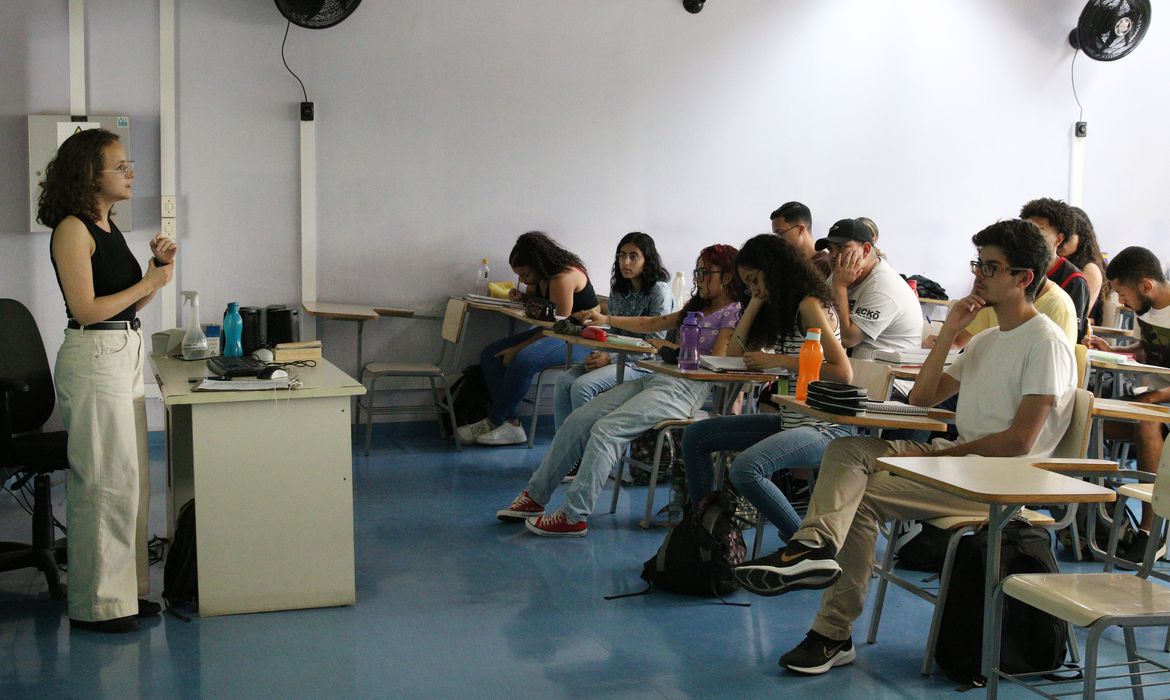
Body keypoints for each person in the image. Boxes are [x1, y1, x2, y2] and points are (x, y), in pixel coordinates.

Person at [734, 220, 1076, 676]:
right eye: (978, 264)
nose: (978, 275)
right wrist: (950, 329)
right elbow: (920, 398)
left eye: (991, 267)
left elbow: (1019, 442)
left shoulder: (1046, 342)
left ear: (1023, 278)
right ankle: (813, 547)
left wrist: (946, 457)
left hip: (1000, 480)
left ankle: (831, 633)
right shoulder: (987, 340)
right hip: (960, 461)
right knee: (847, 450)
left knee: (860, 500)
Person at [495, 244, 744, 536]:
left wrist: (671, 349)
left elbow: (716, 362)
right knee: (579, 419)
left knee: (607, 430)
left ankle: (574, 515)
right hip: (659, 376)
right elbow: (652, 323)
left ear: (727, 276)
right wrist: (607, 319)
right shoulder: (697, 307)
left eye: (705, 272)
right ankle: (535, 496)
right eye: (697, 271)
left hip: (686, 390)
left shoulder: (732, 313)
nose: (698, 278)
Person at [38, 128, 176, 633]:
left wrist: (157, 269)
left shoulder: (108, 225)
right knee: (103, 484)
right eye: (120, 166)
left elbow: (129, 302)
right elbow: (87, 309)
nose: (130, 173)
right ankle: (96, 606)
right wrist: (149, 281)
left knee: (129, 480)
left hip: (121, 351)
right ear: (89, 175)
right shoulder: (72, 230)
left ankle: (125, 594)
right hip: (95, 357)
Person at [681, 235, 852, 540]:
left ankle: (804, 545)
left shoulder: (809, 305)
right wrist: (756, 303)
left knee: (745, 469)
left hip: (825, 426)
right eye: (747, 283)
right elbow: (734, 355)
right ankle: (707, 531)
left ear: (774, 271)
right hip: (792, 420)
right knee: (696, 435)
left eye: (755, 280)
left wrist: (781, 362)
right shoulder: (781, 307)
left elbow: (843, 372)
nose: (753, 288)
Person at [456, 231, 600, 446]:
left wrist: (517, 349)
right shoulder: (542, 277)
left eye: (525, 275)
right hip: (554, 332)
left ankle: (494, 420)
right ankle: (510, 422)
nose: (522, 280)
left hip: (580, 339)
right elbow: (543, 310)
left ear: (540, 265)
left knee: (523, 358)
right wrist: (524, 297)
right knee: (490, 354)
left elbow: (557, 326)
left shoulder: (563, 277)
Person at [1084, 246, 1170, 557]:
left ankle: (1150, 531)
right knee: (1087, 419)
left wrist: (1154, 397)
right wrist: (1115, 351)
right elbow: (1145, 349)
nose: (1121, 301)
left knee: (1147, 423)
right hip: (1152, 400)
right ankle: (1102, 512)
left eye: (1122, 293)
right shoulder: (1146, 310)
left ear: (1146, 285)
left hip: (1158, 403)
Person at [553, 232, 672, 431]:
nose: (625, 262)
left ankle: (585, 446)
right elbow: (613, 334)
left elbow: (653, 346)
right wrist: (601, 353)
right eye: (621, 255)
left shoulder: (659, 290)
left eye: (633, 256)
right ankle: (563, 446)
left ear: (648, 259)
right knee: (563, 382)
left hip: (645, 365)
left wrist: (610, 358)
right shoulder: (619, 289)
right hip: (617, 359)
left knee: (582, 387)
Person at [817, 218, 922, 358]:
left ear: (866, 250)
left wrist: (840, 287)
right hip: (857, 366)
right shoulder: (841, 274)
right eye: (830, 249)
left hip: (886, 369)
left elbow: (847, 339)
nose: (833, 255)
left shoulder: (882, 287)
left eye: (841, 247)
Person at [1020, 197, 1091, 340]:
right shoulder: (1017, 269)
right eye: (1025, 229)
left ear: (1059, 239)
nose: (1029, 236)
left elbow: (1069, 334)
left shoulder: (1074, 281)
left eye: (1039, 231)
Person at [1063, 206, 1107, 318]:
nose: (1062, 241)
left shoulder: (1090, 269)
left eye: (1069, 236)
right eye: (1059, 234)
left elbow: (1078, 315)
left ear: (1083, 236)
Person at [771, 201, 831, 278]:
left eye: (780, 233)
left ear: (801, 229)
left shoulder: (828, 266)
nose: (776, 240)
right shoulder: (786, 266)